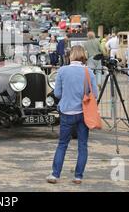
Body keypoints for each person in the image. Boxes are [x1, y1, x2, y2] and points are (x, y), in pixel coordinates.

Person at [47, 46, 98, 185]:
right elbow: (95, 94)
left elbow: (57, 93)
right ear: (83, 56)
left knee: (62, 144)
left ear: (71, 55)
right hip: (83, 113)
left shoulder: (62, 71)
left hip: (67, 112)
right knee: (82, 145)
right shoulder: (89, 72)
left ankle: (55, 174)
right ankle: (78, 176)